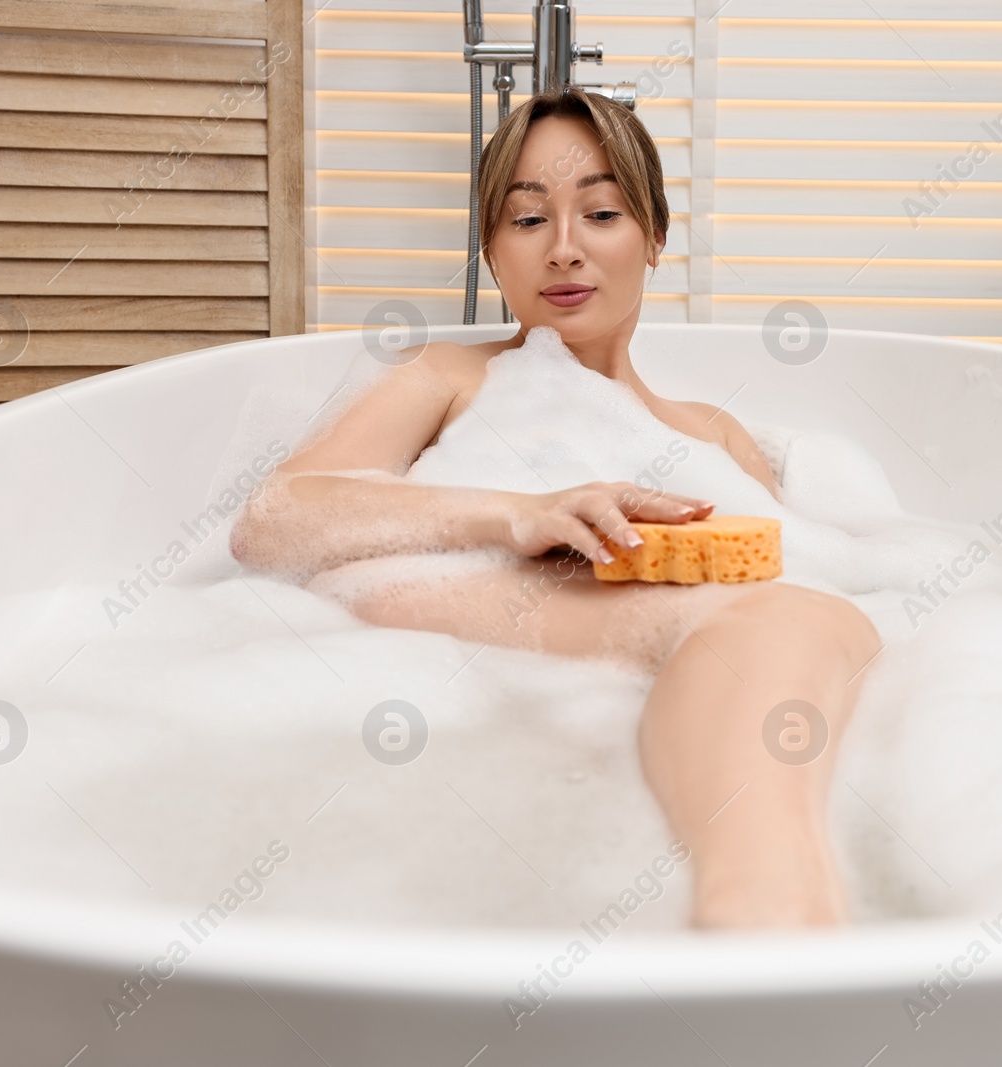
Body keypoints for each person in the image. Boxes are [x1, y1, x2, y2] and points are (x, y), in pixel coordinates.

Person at [229, 87, 882, 929]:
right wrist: (518, 513)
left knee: (823, 619)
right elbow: (273, 521)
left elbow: (821, 565)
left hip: (635, 686)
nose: (564, 250)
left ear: (654, 237)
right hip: (456, 633)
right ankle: (764, 925)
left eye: (601, 213)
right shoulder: (448, 377)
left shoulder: (719, 437)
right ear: (493, 252)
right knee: (787, 616)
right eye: (528, 220)